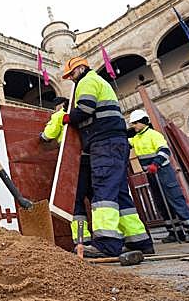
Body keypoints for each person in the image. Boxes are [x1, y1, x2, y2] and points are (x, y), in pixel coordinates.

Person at [61, 56, 154, 258]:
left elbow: (85, 109)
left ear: (79, 69)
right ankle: (140, 240)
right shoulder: (98, 81)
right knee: (120, 193)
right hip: (115, 142)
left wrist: (68, 117)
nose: (71, 79)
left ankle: (106, 243)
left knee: (103, 190)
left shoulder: (86, 81)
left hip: (104, 143)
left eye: (71, 74)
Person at [127, 109, 189, 243]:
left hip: (163, 171)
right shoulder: (136, 138)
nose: (133, 126)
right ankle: (175, 232)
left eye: (135, 123)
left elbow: (164, 150)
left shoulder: (154, 134)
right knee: (161, 203)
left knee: (175, 200)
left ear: (144, 122)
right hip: (151, 174)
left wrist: (156, 164)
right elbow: (127, 142)